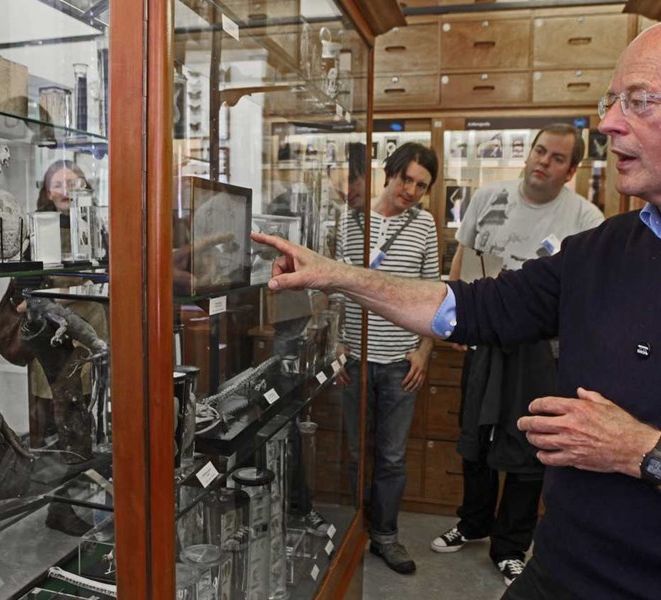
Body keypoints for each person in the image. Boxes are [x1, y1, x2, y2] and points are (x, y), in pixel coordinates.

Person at [251, 23, 661, 599]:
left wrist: (644, 451)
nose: (610, 122)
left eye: (639, 101)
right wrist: (334, 273)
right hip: (562, 571)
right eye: (610, 101)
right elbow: (470, 304)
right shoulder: (602, 248)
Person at [429, 124, 604, 587]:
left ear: (571, 170)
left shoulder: (587, 219)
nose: (543, 162)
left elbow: (585, 296)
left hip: (541, 352)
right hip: (486, 338)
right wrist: (459, 322)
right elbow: (461, 261)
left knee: (530, 447)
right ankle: (472, 523)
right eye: (539, 151)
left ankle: (511, 546)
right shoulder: (487, 199)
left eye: (556, 158)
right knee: (476, 437)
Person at [335, 142, 440, 574]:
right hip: (354, 360)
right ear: (389, 173)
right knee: (357, 451)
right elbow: (335, 285)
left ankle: (386, 537)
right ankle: (354, 529)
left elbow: (434, 293)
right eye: (406, 179)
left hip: (399, 363)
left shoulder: (425, 225)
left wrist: (425, 350)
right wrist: (335, 345)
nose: (411, 191)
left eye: (421, 185)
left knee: (393, 456)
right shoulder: (351, 218)